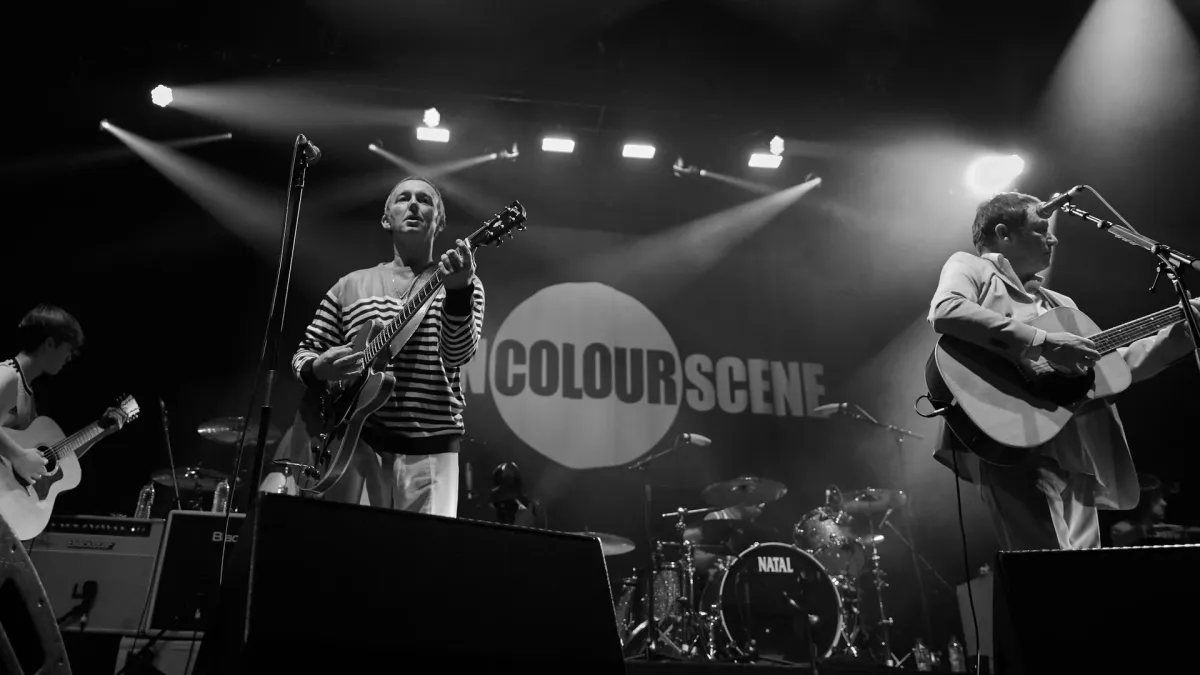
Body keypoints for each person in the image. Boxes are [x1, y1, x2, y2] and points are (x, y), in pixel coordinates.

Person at [928, 192, 1200, 551]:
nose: (1053, 238)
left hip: (1076, 446)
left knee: (1085, 574)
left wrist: (1185, 331)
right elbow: (946, 310)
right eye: (1041, 230)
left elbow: (1113, 368)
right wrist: (1044, 341)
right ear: (1003, 233)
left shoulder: (1062, 304)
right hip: (1014, 434)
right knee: (1046, 571)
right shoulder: (972, 267)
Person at [265, 176, 484, 517]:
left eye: (425, 200)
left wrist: (459, 291)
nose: (414, 204)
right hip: (356, 444)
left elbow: (458, 353)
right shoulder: (349, 286)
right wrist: (319, 367)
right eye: (404, 198)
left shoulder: (462, 283)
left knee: (425, 549)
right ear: (386, 218)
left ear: (440, 222)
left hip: (432, 449)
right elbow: (304, 353)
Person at [0, 305, 84, 485]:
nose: (69, 358)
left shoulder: (26, 391)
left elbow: (51, 457)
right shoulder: (7, 376)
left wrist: (101, 430)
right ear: (50, 344)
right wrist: (19, 456)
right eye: (69, 349)